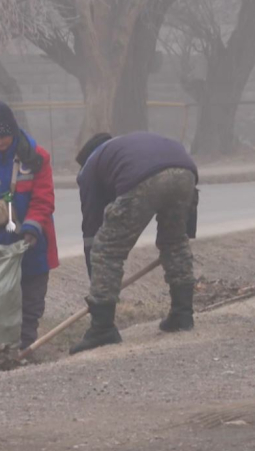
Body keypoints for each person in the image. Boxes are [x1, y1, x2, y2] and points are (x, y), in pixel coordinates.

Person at [71, 131, 199, 355]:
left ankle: (102, 329)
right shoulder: (127, 147)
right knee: (174, 242)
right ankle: (182, 314)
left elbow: (92, 228)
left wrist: (96, 273)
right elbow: (189, 205)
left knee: (107, 249)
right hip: (186, 171)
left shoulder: (90, 168)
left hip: (145, 178)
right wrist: (185, 232)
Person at [0, 100, 60, 349]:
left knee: (31, 301)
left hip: (33, 246)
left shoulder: (37, 158)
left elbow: (44, 199)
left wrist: (31, 229)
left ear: (13, 131)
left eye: (4, 137)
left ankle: (25, 347)